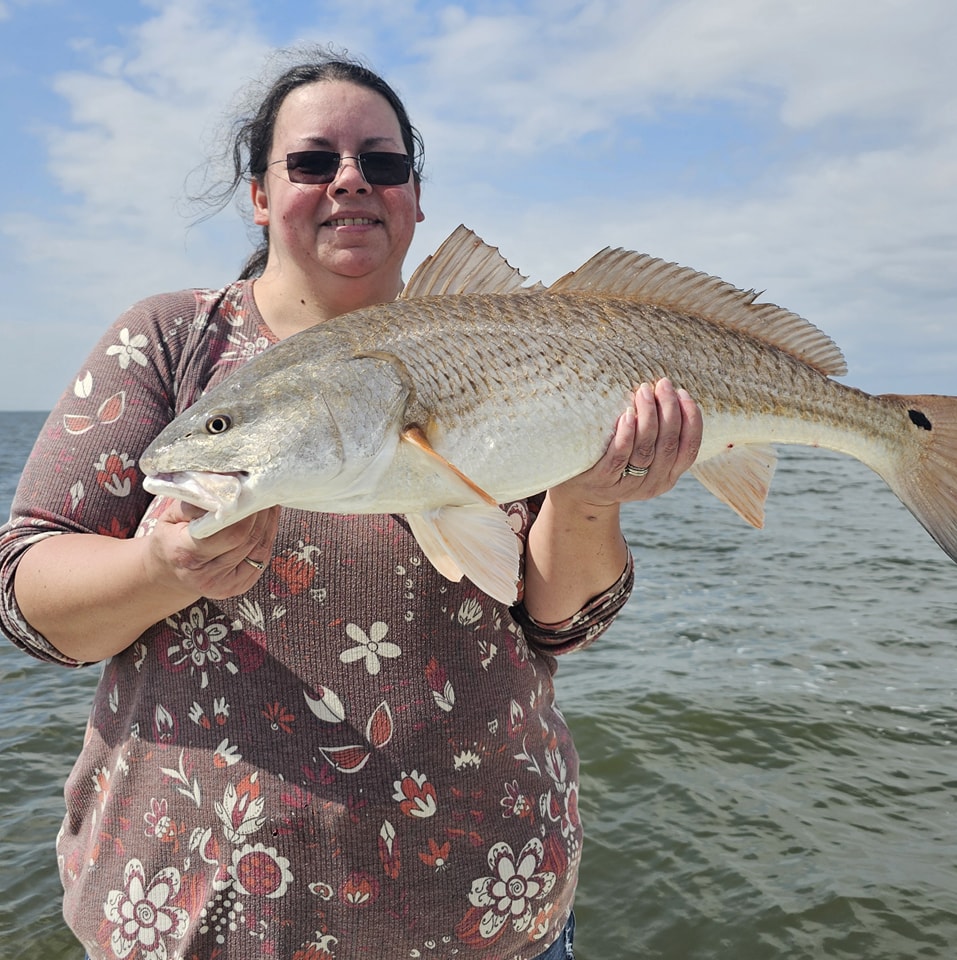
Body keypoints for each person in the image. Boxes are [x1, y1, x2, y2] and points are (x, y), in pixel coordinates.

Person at [0, 46, 702, 960]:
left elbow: (556, 624)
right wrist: (155, 566)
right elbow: (23, 593)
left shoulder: (520, 348)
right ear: (258, 193)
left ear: (413, 194)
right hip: (200, 914)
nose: (348, 182)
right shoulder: (171, 342)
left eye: (382, 162)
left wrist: (590, 497)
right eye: (309, 162)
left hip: (488, 909)